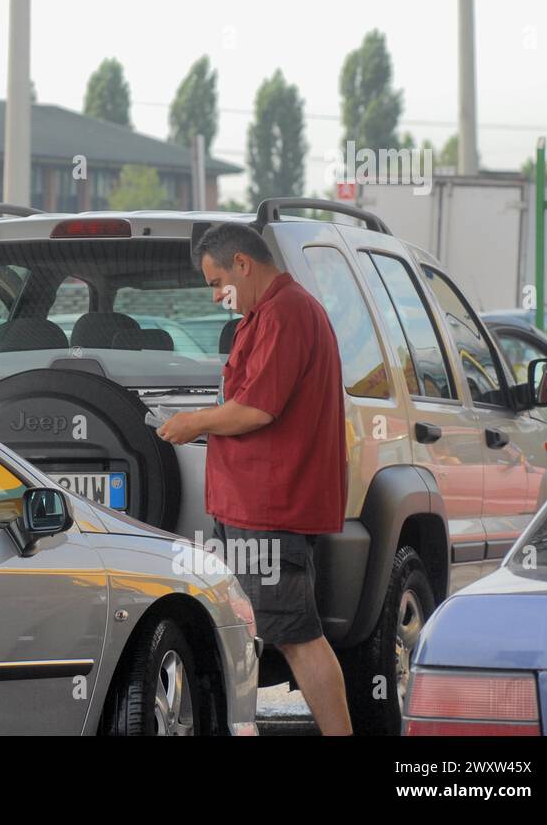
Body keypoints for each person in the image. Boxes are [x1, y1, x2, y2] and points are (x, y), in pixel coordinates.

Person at [157, 222, 352, 736]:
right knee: (259, 628)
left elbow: (256, 410)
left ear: (243, 264)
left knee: (297, 635)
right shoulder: (264, 313)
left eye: (215, 281)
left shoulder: (285, 313)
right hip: (251, 504)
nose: (216, 295)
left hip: (271, 506)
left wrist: (192, 422)